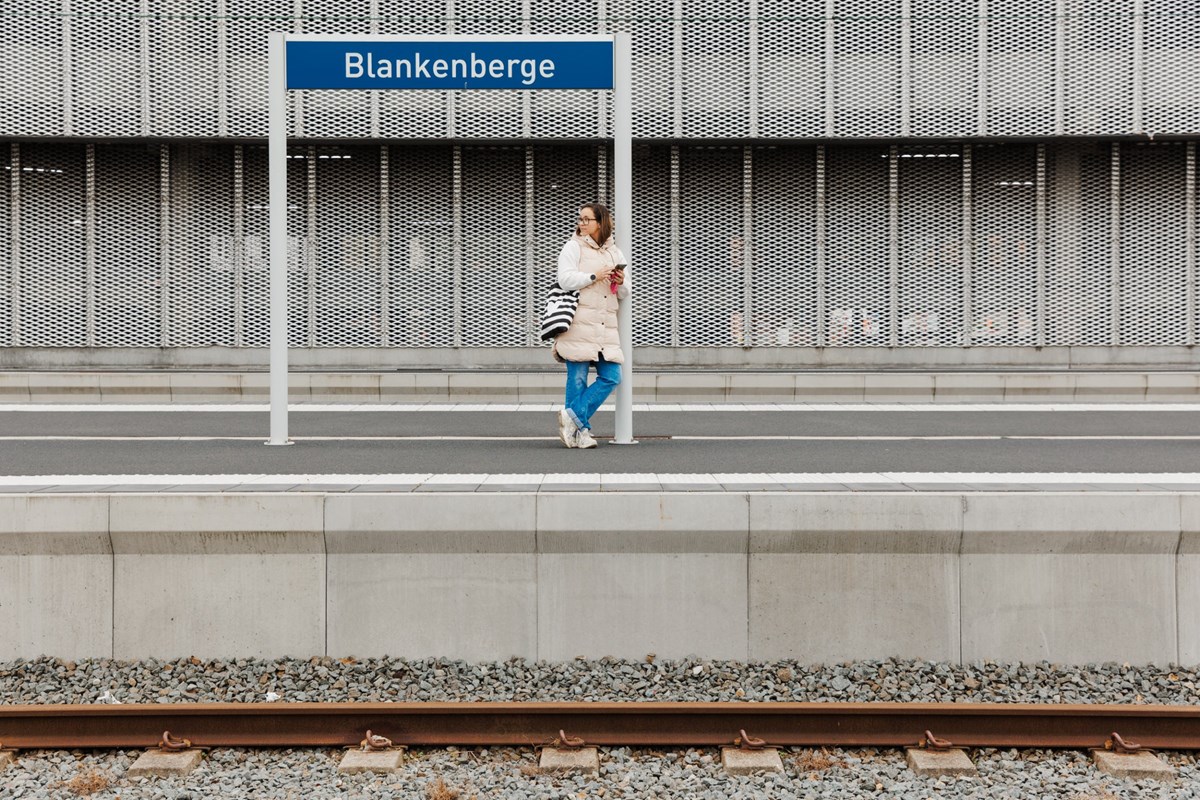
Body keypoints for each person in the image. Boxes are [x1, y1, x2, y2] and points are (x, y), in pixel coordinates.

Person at [552, 203, 629, 449]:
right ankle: (581, 433)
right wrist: (594, 275)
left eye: (587, 219)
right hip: (578, 323)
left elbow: (625, 292)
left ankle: (571, 416)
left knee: (612, 376)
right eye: (580, 219)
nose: (581, 223)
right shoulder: (573, 246)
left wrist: (620, 281)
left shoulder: (614, 252)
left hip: (605, 326)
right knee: (578, 378)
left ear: (600, 222)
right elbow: (564, 279)